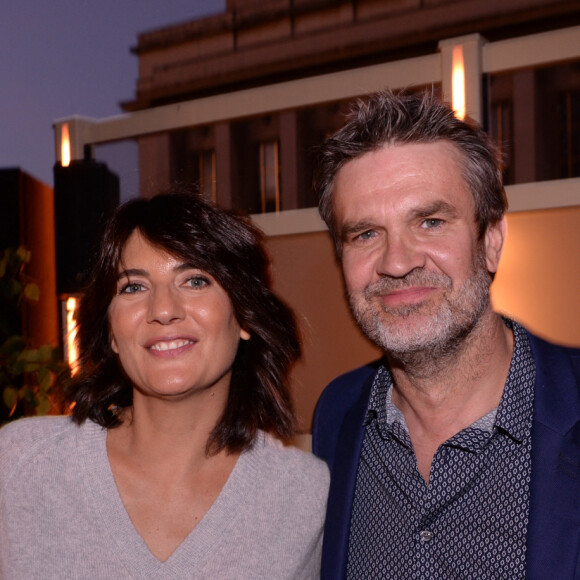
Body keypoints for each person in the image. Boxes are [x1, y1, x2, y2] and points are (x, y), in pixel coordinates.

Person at [311, 89, 580, 579]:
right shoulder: (337, 415)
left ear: (491, 242)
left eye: (431, 222)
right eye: (365, 234)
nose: (397, 262)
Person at [0, 192, 329, 579]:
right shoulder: (21, 465)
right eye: (133, 288)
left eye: (194, 280)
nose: (163, 310)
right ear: (111, 333)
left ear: (243, 315)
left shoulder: (305, 495)